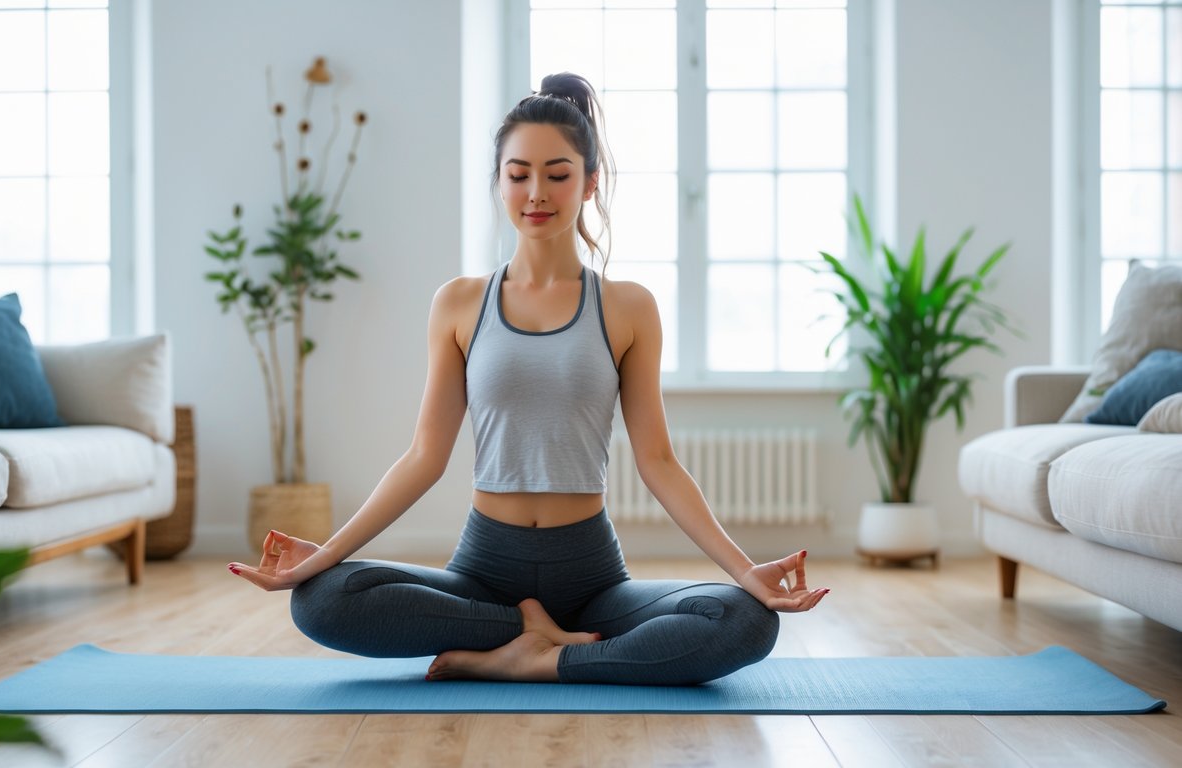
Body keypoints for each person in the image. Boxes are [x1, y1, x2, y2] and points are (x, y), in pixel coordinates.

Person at [229, 72, 828, 685]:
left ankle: (541, 658)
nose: (536, 193)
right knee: (322, 599)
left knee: (744, 620)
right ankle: (526, 634)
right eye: (518, 175)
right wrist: (326, 555)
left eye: (558, 175)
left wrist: (745, 571)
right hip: (484, 571)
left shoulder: (628, 307)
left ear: (590, 182)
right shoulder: (459, 303)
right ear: (499, 181)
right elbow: (423, 457)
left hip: (592, 578)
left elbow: (659, 462)